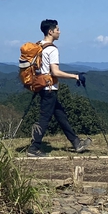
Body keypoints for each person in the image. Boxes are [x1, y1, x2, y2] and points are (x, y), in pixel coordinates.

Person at [26, 20, 92, 157]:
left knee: (60, 115)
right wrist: (76, 77)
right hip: (49, 88)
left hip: (41, 86)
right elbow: (55, 72)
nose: (59, 32)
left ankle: (76, 143)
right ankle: (34, 148)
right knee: (44, 118)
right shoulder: (52, 49)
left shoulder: (39, 45)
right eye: (57, 29)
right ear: (50, 31)